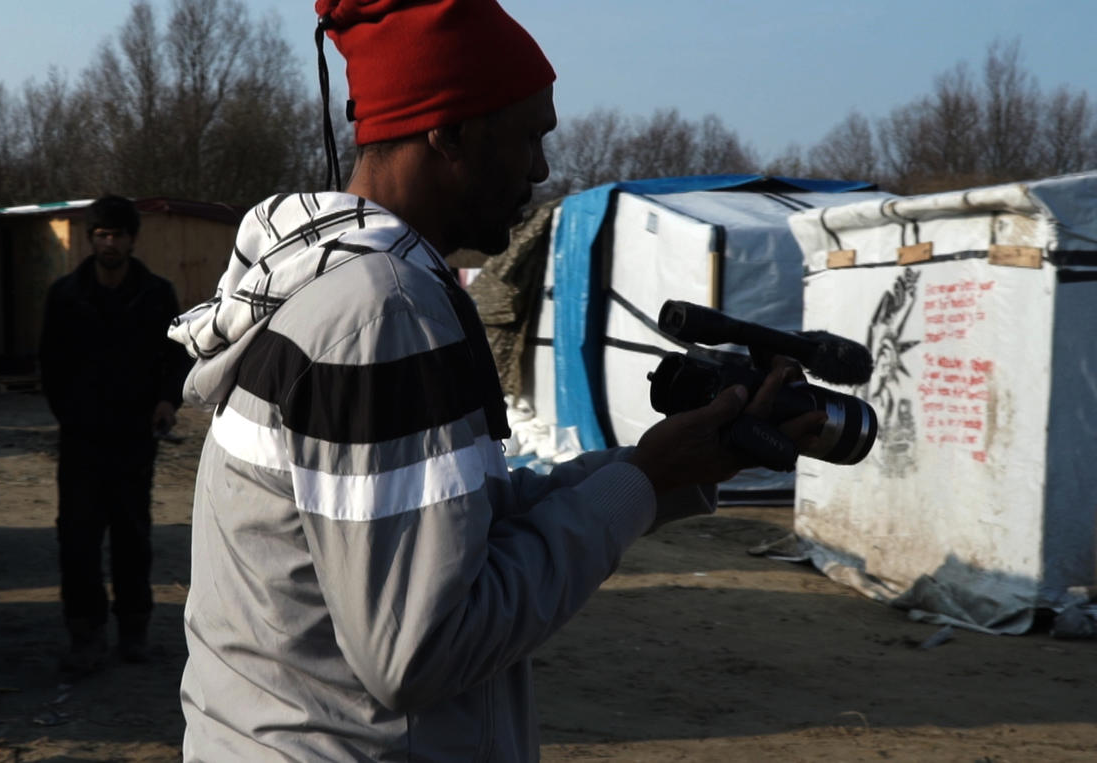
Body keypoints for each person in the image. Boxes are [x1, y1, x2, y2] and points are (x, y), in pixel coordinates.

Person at [166, 1, 824, 759]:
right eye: (529, 136)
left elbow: (456, 524)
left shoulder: (329, 285)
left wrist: (662, 464)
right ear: (447, 131)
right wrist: (641, 485)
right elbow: (421, 646)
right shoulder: (384, 310)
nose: (541, 169)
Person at [39, 195, 191, 674]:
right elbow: (50, 364)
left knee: (132, 536)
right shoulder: (66, 296)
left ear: (132, 239)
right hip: (82, 438)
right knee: (78, 538)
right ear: (91, 239)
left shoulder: (156, 295)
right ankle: (84, 635)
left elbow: (177, 357)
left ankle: (133, 630)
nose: (110, 243)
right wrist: (70, 414)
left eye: (118, 235)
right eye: (102, 235)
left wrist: (167, 401)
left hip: (134, 436)